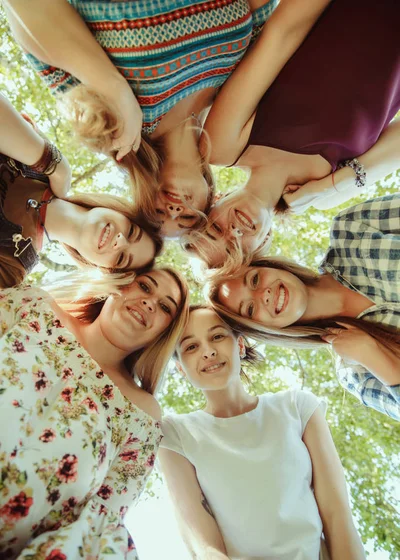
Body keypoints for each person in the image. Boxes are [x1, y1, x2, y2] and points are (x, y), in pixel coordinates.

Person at [3, 0, 328, 237]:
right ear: (209, 194)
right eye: (187, 218)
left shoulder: (112, 126)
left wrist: (113, 88)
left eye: (158, 213)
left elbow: (24, 10)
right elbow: (273, 20)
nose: (174, 210)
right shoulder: (229, 97)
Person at [159, 305, 386, 560]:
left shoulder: (298, 407)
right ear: (180, 368)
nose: (208, 351)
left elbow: (337, 516)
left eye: (217, 337)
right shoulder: (176, 435)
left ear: (239, 345)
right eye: (191, 346)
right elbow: (206, 553)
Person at [0, 266, 189, 560]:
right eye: (145, 286)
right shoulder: (34, 305)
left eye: (164, 307)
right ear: (118, 285)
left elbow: (102, 522)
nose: (149, 303)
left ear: (164, 332)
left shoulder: (142, 416)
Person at [200, 0, 400, 250]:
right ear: (265, 240)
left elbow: (280, 36)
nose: (235, 232)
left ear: (214, 200)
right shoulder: (328, 194)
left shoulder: (222, 146)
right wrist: (327, 186)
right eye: (234, 249)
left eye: (216, 229)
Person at [207, 194, 400, 421]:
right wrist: (370, 353)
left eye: (255, 280)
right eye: (249, 309)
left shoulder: (351, 229)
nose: (264, 295)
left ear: (269, 266)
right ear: (261, 329)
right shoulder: (355, 372)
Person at [0, 94, 162, 288]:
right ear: (121, 212)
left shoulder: (14, 268)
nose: (120, 241)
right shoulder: (48, 166)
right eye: (132, 231)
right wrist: (59, 170)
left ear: (100, 267)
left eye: (120, 258)